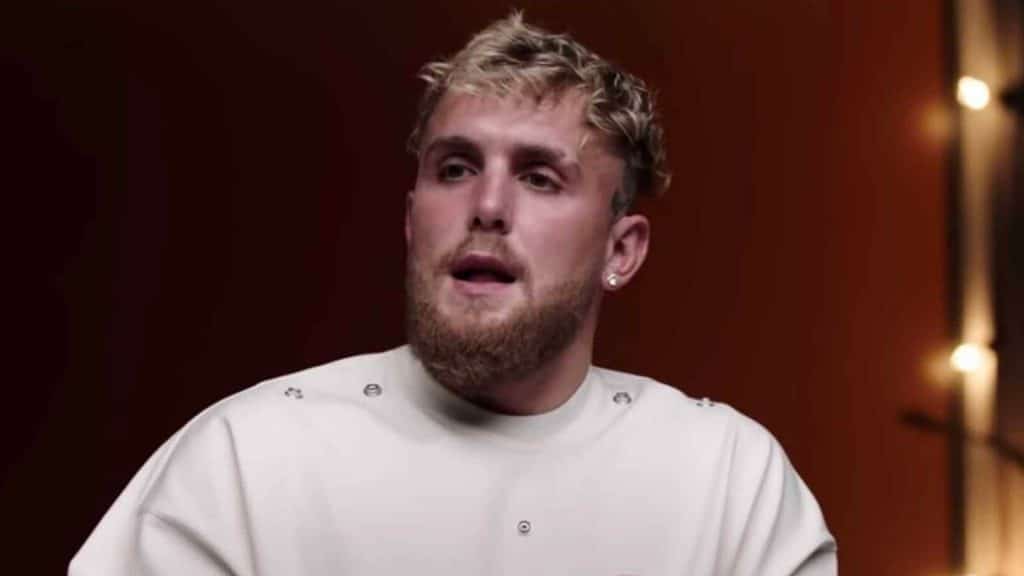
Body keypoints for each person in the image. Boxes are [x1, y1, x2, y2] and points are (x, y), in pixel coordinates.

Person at [70, 12, 836, 575]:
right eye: (455, 168)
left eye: (540, 176)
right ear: (413, 220)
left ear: (621, 250)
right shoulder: (244, 461)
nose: (488, 206)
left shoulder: (729, 481)